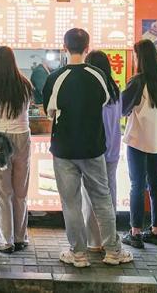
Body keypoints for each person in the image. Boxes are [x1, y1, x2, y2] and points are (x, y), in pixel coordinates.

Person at [43, 28, 132, 268]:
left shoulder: (55, 78)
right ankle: (113, 252)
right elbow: (105, 102)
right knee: (102, 200)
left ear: (64, 48)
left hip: (63, 149)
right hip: (93, 148)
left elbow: (49, 112)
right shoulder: (99, 76)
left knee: (71, 203)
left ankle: (78, 254)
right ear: (87, 48)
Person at [121, 40, 157, 249]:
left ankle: (135, 232)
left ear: (139, 57)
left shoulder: (138, 81)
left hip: (138, 140)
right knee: (155, 185)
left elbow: (122, 108)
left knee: (137, 185)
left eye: (135, 55)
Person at [0, 46, 34, 253]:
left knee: (2, 192)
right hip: (22, 137)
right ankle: (20, 237)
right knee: (20, 191)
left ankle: (5, 241)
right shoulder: (25, 85)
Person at [80, 50, 122, 252]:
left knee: (91, 194)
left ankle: (95, 241)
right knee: (109, 193)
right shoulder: (115, 90)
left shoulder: (92, 90)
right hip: (113, 149)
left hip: (95, 150)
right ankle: (110, 239)